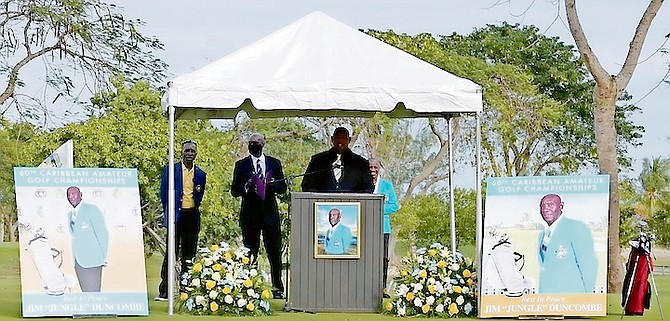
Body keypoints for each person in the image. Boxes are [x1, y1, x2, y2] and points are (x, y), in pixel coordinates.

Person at [231, 133, 287, 299]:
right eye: (251, 143)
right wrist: (246, 186)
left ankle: (277, 287)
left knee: (274, 253)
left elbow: (283, 188)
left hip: (270, 214)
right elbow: (234, 190)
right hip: (250, 215)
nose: (255, 145)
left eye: (258, 143)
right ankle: (249, 287)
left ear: (263, 144)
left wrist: (273, 184)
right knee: (250, 252)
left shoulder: (274, 163)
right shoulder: (241, 165)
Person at [156, 140, 207, 301]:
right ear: (182, 152)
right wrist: (169, 215)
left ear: (196, 154)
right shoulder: (172, 170)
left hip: (191, 216)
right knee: (171, 252)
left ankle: (186, 288)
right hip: (176, 216)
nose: (190, 154)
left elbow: (199, 195)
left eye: (192, 151)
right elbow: (164, 194)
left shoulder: (200, 174)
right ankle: (164, 290)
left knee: (189, 255)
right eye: (187, 151)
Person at [537, 193, 597, 293]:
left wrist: (587, 298)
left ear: (561, 206)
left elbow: (588, 266)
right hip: (547, 300)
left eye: (550, 205)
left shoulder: (575, 228)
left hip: (572, 299)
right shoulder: (542, 236)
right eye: (542, 206)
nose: (545, 209)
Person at [301, 127, 374, 193]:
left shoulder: (361, 163)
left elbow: (368, 188)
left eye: (344, 138)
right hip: (322, 206)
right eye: (338, 138)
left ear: (349, 140)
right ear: (332, 139)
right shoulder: (318, 161)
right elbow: (307, 185)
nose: (340, 141)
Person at [66, 186, 109, 292]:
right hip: (78, 262)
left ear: (81, 194)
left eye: (74, 193)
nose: (71, 197)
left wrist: (104, 257)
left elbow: (103, 234)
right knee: (85, 294)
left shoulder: (91, 210)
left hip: (93, 261)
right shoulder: (70, 215)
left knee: (94, 294)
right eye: (69, 195)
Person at [369, 158, 399, 298]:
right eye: (370, 167)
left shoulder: (387, 186)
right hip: (366, 228)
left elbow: (394, 205)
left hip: (383, 229)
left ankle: (382, 289)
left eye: (375, 167)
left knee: (383, 259)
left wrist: (377, 208)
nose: (372, 170)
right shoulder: (363, 185)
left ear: (379, 168)